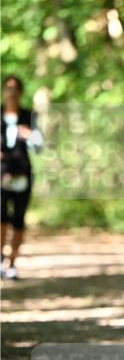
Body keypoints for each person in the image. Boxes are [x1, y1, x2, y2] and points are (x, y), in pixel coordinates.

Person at [1, 75, 43, 280]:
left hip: (22, 173)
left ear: (20, 92)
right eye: (8, 88)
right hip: (1, 172)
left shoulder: (29, 116)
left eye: (15, 89)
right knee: (1, 218)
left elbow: (40, 146)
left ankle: (12, 264)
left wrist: (30, 135)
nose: (11, 93)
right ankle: (0, 259)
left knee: (18, 219)